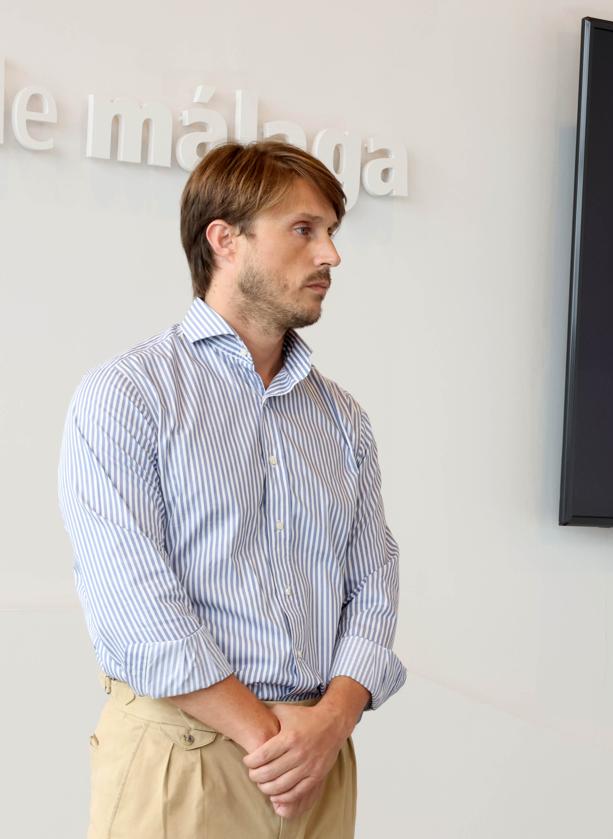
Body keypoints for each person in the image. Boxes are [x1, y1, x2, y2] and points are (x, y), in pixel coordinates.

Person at [58, 141, 405, 838]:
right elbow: (136, 603)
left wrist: (330, 722)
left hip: (316, 763)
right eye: (304, 230)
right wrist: (277, 738)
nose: (331, 255)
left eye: (332, 232)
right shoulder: (127, 396)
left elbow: (375, 581)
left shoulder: (343, 419)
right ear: (225, 240)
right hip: (186, 757)